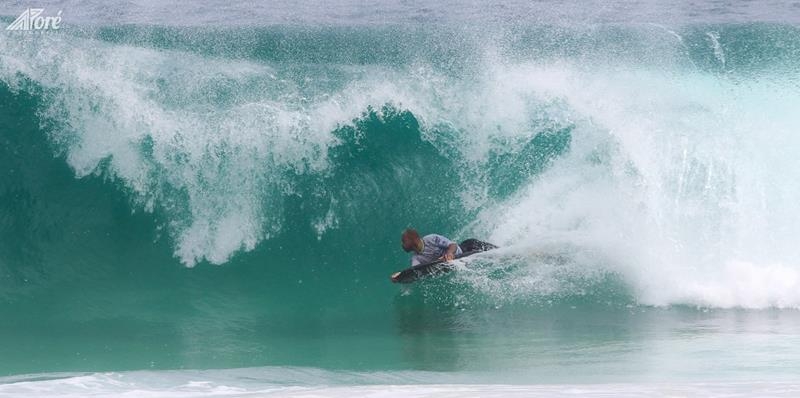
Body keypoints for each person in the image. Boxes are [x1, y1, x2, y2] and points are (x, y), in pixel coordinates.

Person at [401, 228, 496, 266]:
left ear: (415, 240)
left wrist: (449, 253)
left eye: (404, 241)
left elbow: (453, 245)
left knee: (497, 251)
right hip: (462, 260)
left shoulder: (431, 239)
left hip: (468, 247)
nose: (402, 245)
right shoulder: (416, 258)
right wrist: (401, 276)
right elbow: (416, 270)